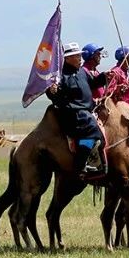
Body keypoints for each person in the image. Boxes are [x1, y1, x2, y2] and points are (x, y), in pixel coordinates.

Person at [45, 42, 107, 177]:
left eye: (80, 55)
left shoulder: (81, 72)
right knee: (92, 131)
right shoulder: (59, 75)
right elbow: (52, 94)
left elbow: (94, 83)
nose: (80, 58)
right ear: (67, 59)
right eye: (76, 56)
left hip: (85, 112)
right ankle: (80, 165)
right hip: (72, 114)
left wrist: (105, 77)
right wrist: (52, 91)